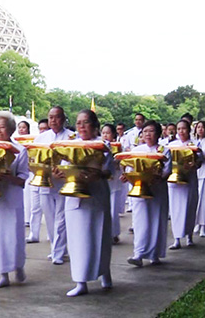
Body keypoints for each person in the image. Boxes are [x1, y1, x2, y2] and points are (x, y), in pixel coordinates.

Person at [62, 109, 112, 297]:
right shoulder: (69, 145)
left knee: (100, 235)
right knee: (77, 239)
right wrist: (62, 174)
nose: (81, 126)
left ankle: (105, 273)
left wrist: (96, 175)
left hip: (96, 194)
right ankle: (80, 281)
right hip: (74, 195)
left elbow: (109, 171)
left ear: (95, 125)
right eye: (78, 123)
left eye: (86, 122)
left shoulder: (103, 146)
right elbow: (65, 168)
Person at [0, 111, 28, 289]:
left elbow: (23, 179)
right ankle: (2, 275)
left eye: (2, 127)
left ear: (11, 130)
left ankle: (18, 267)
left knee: (14, 237)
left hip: (12, 197)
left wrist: (8, 177)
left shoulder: (20, 150)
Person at [123, 120, 171, 267]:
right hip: (139, 189)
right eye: (145, 131)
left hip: (157, 190)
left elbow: (167, 171)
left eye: (151, 131)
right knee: (140, 221)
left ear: (158, 133)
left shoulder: (164, 150)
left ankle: (154, 254)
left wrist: (156, 179)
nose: (148, 134)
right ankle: (138, 253)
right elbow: (129, 168)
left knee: (156, 220)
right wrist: (129, 177)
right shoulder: (137, 150)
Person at [31, 106, 73, 264]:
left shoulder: (71, 137)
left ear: (63, 119)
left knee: (61, 219)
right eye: (50, 117)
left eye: (57, 117)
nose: (53, 120)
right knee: (49, 218)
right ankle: (56, 248)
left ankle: (58, 253)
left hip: (63, 182)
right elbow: (34, 160)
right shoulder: (41, 138)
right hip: (45, 183)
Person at [167, 120, 200, 249]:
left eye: (184, 129)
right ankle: (176, 239)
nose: (181, 131)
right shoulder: (171, 145)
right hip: (174, 182)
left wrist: (193, 165)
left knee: (189, 207)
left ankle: (189, 236)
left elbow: (199, 161)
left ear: (189, 130)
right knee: (176, 209)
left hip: (189, 180)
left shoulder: (195, 144)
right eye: (179, 129)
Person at [101, 123, 124, 244]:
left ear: (113, 134)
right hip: (103, 181)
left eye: (107, 133)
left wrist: (116, 161)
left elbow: (123, 161)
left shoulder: (119, 147)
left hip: (114, 180)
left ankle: (114, 233)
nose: (105, 135)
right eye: (103, 133)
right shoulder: (99, 146)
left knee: (113, 209)